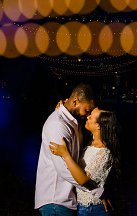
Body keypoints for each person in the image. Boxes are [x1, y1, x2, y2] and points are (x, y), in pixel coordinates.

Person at [35, 83, 106, 215]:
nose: (88, 115)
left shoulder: (74, 121)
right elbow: (63, 169)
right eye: (87, 110)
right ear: (75, 101)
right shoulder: (58, 124)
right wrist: (95, 191)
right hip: (55, 199)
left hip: (67, 200)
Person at [49, 107, 121, 216]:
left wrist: (65, 154)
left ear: (98, 126)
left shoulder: (104, 153)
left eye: (91, 117)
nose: (88, 117)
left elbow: (83, 180)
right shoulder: (91, 142)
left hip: (93, 209)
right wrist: (63, 108)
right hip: (85, 207)